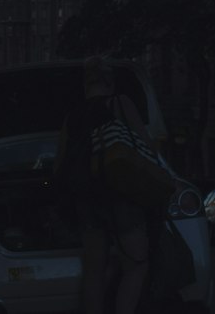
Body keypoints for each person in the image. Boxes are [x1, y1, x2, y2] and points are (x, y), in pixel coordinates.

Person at [55, 57, 164, 314]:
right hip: (121, 196)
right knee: (137, 264)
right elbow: (145, 146)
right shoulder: (120, 103)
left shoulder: (73, 117)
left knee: (94, 272)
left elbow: (60, 166)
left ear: (86, 84)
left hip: (87, 200)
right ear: (109, 81)